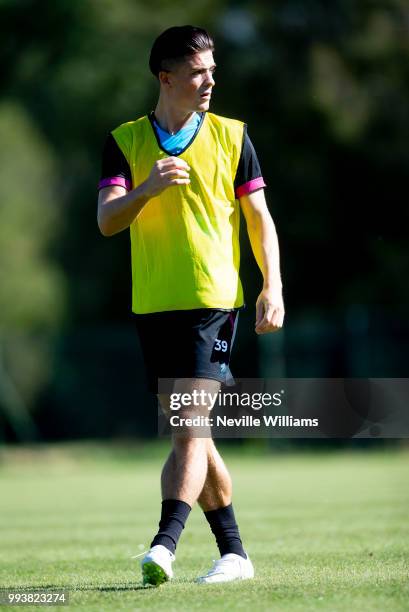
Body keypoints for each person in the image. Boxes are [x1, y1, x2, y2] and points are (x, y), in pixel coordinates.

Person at [97, 25, 284, 586]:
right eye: (198, 71)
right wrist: (146, 188)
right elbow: (108, 220)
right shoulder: (126, 141)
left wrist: (271, 285)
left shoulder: (232, 136)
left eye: (212, 70)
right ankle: (234, 554)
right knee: (193, 436)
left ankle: (163, 545)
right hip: (153, 305)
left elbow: (260, 220)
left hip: (213, 302)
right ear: (166, 77)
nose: (209, 81)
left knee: (186, 428)